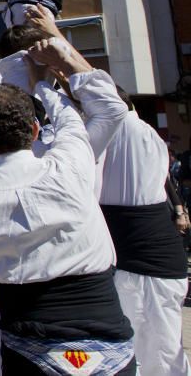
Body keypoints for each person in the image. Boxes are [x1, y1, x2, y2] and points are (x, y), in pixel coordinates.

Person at [0, 39, 136, 374]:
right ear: (35, 128)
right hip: (108, 347)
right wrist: (46, 83)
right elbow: (104, 110)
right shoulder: (72, 162)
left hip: (28, 351)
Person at [98, 88, 191, 376]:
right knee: (151, 351)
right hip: (138, 264)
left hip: (145, 268)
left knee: (157, 355)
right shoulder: (134, 134)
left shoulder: (129, 133)